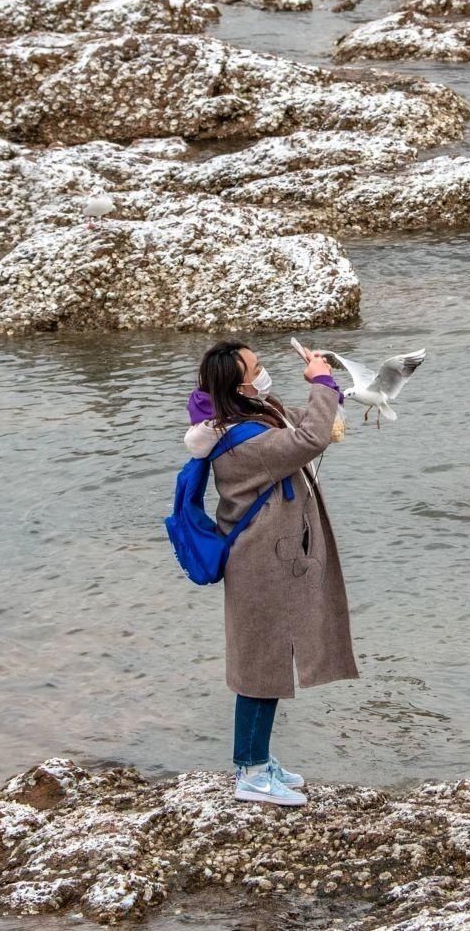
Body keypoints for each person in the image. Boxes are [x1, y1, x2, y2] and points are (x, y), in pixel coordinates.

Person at [188, 340, 358, 806]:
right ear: (238, 385)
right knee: (260, 667)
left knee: (270, 658)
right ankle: (251, 773)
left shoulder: (243, 418)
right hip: (260, 560)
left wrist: (324, 393)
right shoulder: (244, 441)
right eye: (257, 368)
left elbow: (298, 430)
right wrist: (322, 384)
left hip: (270, 554)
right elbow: (308, 441)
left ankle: (258, 757)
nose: (263, 373)